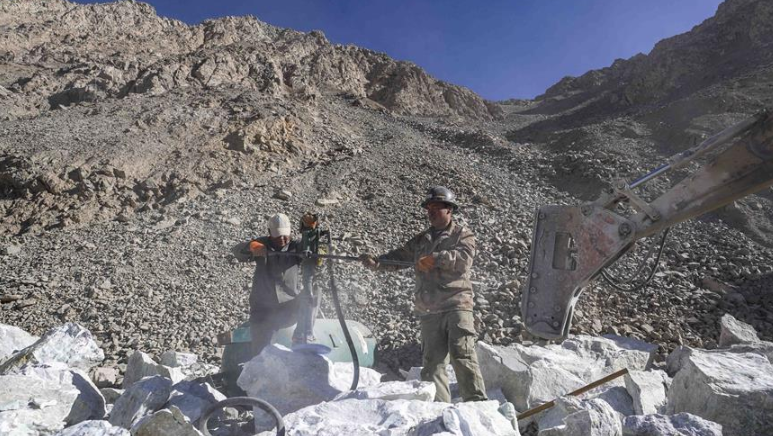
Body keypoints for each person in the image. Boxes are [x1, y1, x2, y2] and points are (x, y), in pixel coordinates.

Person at [360, 186, 487, 403]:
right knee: (432, 365)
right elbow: (400, 257)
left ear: (449, 209)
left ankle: (478, 407)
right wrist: (377, 263)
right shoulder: (421, 240)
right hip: (429, 309)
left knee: (463, 355)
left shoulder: (462, 235)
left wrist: (435, 259)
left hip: (456, 305)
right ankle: (439, 410)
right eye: (429, 208)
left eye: (436, 207)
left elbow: (463, 260)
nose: (431, 212)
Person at [232, 213, 319, 357]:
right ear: (269, 233)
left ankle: (302, 335)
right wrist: (250, 247)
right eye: (278, 236)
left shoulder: (296, 247)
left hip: (289, 308)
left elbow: (313, 253)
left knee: (315, 291)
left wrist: (310, 232)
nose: (282, 239)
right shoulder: (262, 244)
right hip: (263, 312)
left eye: (285, 235)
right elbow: (237, 251)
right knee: (261, 356)